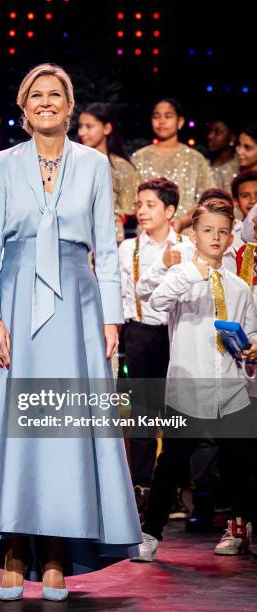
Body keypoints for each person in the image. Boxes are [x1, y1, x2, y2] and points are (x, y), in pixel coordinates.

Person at [0, 63, 141, 602]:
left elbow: (107, 247)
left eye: (56, 95)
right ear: (23, 108)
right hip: (15, 305)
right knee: (13, 427)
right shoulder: (4, 164)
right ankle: (12, 550)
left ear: (69, 106)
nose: (46, 102)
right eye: (37, 95)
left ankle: (55, 552)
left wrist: (110, 318)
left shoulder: (94, 164)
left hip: (77, 306)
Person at [132, 200, 257, 562]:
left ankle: (238, 529)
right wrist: (191, 273)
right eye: (207, 230)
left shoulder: (238, 287)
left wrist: (251, 346)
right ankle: (151, 532)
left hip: (230, 387)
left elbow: (248, 329)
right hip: (188, 387)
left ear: (230, 237)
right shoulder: (182, 276)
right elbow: (156, 301)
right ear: (193, 235)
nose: (215, 237)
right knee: (171, 463)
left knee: (239, 465)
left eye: (222, 232)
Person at [118, 178, 194, 511]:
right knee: (143, 413)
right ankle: (142, 485)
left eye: (150, 205)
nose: (142, 211)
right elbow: (125, 293)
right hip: (140, 334)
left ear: (170, 210)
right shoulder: (129, 248)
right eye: (139, 204)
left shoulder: (186, 246)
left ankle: (175, 486)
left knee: (178, 411)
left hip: (177, 334)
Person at [132, 98, 215, 232]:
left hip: (186, 234)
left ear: (180, 122)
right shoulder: (139, 158)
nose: (161, 121)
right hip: (148, 233)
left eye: (168, 116)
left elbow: (209, 199)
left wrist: (182, 222)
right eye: (156, 116)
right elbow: (132, 200)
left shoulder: (195, 159)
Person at [78, 103, 138, 241]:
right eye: (80, 126)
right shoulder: (73, 162)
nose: (82, 132)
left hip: (112, 237)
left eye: (89, 126)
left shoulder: (121, 167)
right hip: (78, 236)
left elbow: (128, 209)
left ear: (107, 128)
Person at [207, 118, 239, 195]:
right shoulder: (203, 163)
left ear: (232, 138)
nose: (210, 136)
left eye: (218, 132)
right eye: (210, 131)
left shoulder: (238, 167)